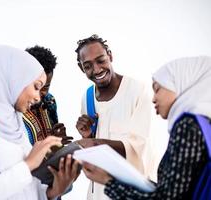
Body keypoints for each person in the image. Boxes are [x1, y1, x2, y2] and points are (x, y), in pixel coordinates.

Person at [0, 45, 79, 199]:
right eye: (36, 87)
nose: (39, 97)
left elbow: (26, 188)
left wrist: (53, 192)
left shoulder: (14, 121)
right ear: (15, 80)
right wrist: (29, 165)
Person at [82, 56, 211, 199]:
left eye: (158, 89)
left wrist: (109, 181)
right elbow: (175, 190)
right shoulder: (204, 125)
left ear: (181, 84)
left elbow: (166, 197)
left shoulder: (187, 125)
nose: (153, 98)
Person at [75, 34, 152, 200]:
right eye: (87, 66)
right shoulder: (87, 97)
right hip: (98, 193)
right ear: (81, 68)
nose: (96, 69)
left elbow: (139, 146)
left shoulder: (137, 90)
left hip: (130, 191)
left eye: (101, 60)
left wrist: (96, 143)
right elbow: (92, 148)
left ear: (110, 55)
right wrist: (88, 135)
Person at [23, 45, 67, 145]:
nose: (39, 95)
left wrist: (57, 141)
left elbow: (54, 146)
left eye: (46, 87)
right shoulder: (12, 108)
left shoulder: (49, 100)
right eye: (36, 86)